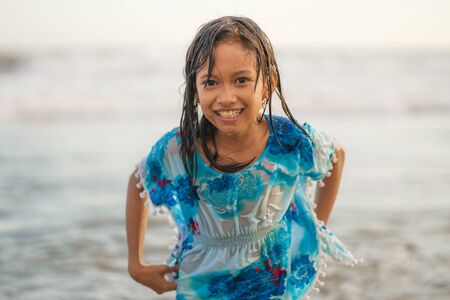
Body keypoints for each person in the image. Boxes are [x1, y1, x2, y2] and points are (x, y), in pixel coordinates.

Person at [125, 15, 363, 299]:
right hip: (201, 282)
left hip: (271, 278)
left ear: (268, 82)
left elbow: (335, 157)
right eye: (211, 82)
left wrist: (315, 224)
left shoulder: (288, 142)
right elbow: (139, 180)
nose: (226, 97)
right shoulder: (179, 148)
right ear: (194, 88)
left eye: (241, 80)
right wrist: (135, 266)